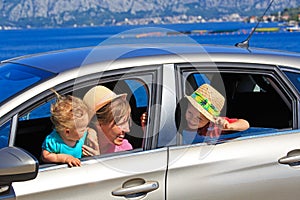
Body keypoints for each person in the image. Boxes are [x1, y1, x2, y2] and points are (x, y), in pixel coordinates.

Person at [41, 92, 97, 167]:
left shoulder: (80, 136)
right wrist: (65, 158)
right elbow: (45, 157)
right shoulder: (54, 141)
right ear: (67, 132)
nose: (85, 130)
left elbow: (89, 129)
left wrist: (92, 133)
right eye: (82, 130)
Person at [181, 83, 250, 144]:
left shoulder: (215, 125)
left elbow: (245, 124)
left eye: (199, 118)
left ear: (209, 119)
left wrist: (228, 126)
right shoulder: (180, 121)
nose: (192, 119)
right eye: (190, 113)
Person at [82, 85, 133, 155]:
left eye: (127, 122)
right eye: (120, 123)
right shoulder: (75, 146)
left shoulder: (124, 149)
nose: (127, 130)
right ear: (99, 123)